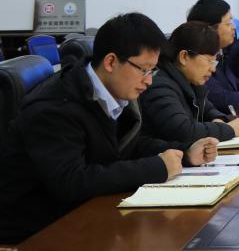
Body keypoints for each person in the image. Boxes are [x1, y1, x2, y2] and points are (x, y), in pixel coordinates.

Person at [0, 13, 218, 244]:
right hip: (37, 231)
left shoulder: (107, 91)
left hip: (81, 213)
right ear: (111, 62)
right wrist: (157, 167)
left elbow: (128, 145)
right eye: (144, 70)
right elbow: (72, 182)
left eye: (152, 71)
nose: (149, 81)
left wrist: (186, 153)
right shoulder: (55, 108)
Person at [139, 22, 239, 143]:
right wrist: (229, 129)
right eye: (209, 61)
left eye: (214, 62)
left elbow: (208, 110)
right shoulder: (158, 86)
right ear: (184, 57)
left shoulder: (191, 81)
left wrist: (217, 119)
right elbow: (183, 131)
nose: (213, 69)